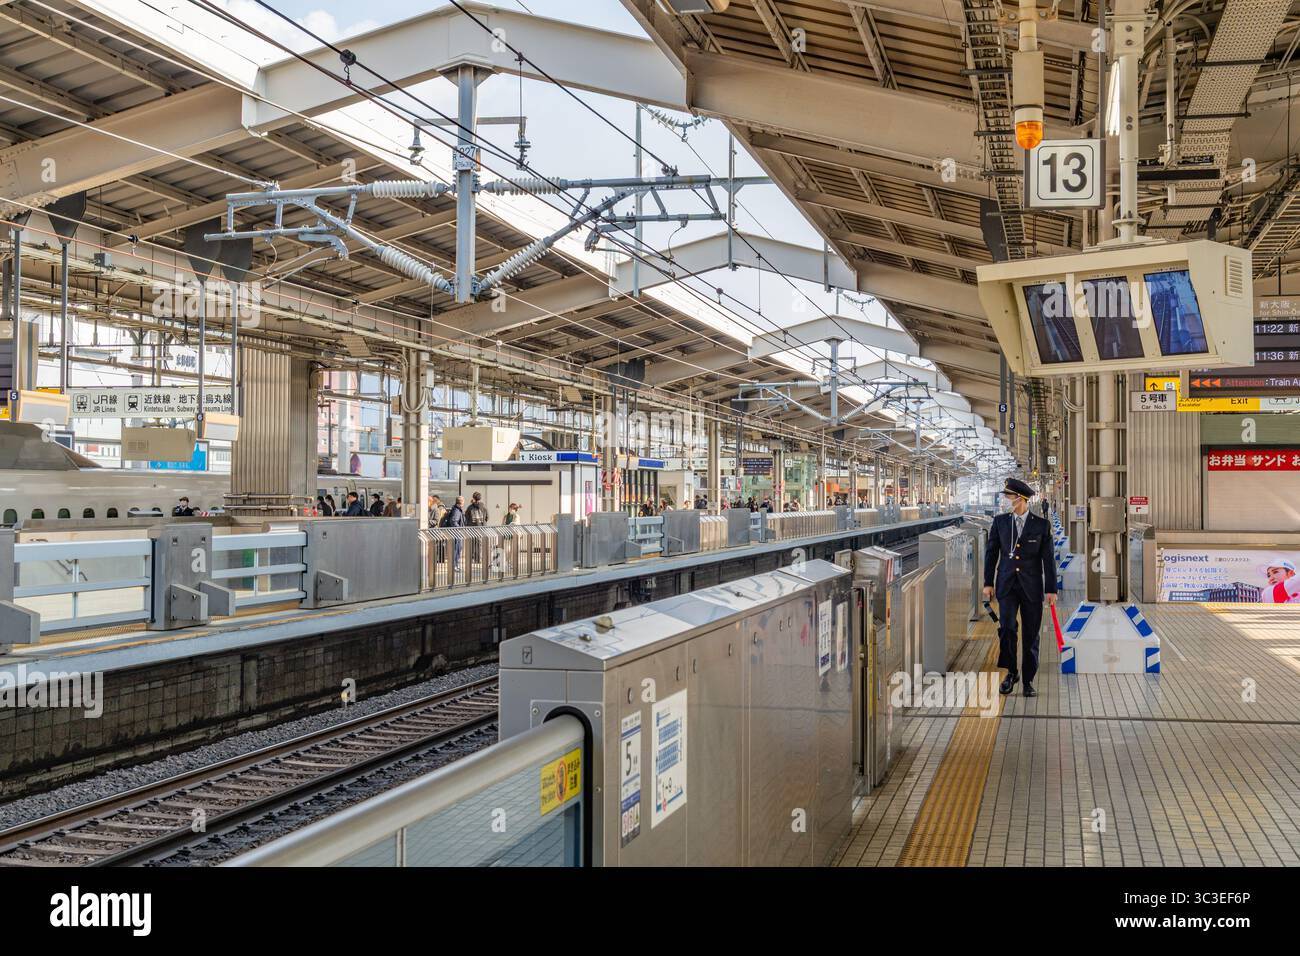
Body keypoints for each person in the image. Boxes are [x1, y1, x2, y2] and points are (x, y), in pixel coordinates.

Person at [983, 477, 1057, 698]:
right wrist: (987, 583)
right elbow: (991, 554)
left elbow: (1048, 559)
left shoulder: (1041, 525)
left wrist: (1051, 589)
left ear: (1021, 499)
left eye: (1010, 497)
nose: (1006, 500)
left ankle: (1028, 680)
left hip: (1032, 586)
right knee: (1006, 628)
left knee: (1031, 634)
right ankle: (1012, 672)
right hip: (1006, 585)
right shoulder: (1000, 522)